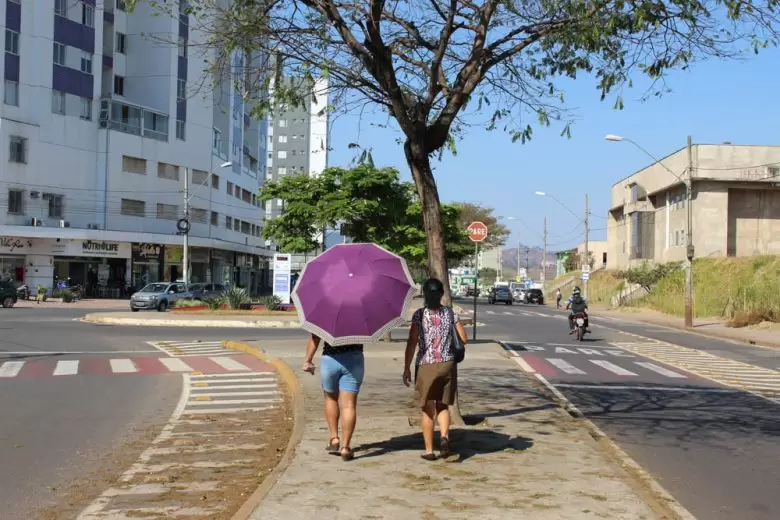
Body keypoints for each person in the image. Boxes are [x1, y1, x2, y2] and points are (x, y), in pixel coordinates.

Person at [403, 278, 468, 461]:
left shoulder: (419, 315)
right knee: (443, 405)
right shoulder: (451, 313)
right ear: (441, 294)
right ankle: (445, 437)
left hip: (426, 365)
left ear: (424, 294)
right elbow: (464, 338)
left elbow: (412, 341)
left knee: (427, 408)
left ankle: (429, 450)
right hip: (448, 364)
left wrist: (407, 367)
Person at [302, 334, 365, 461]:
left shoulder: (327, 314)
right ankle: (346, 448)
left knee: (330, 398)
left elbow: (315, 337)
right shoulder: (360, 315)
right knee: (349, 405)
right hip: (354, 359)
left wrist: (308, 360)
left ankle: (334, 438)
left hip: (330, 359)